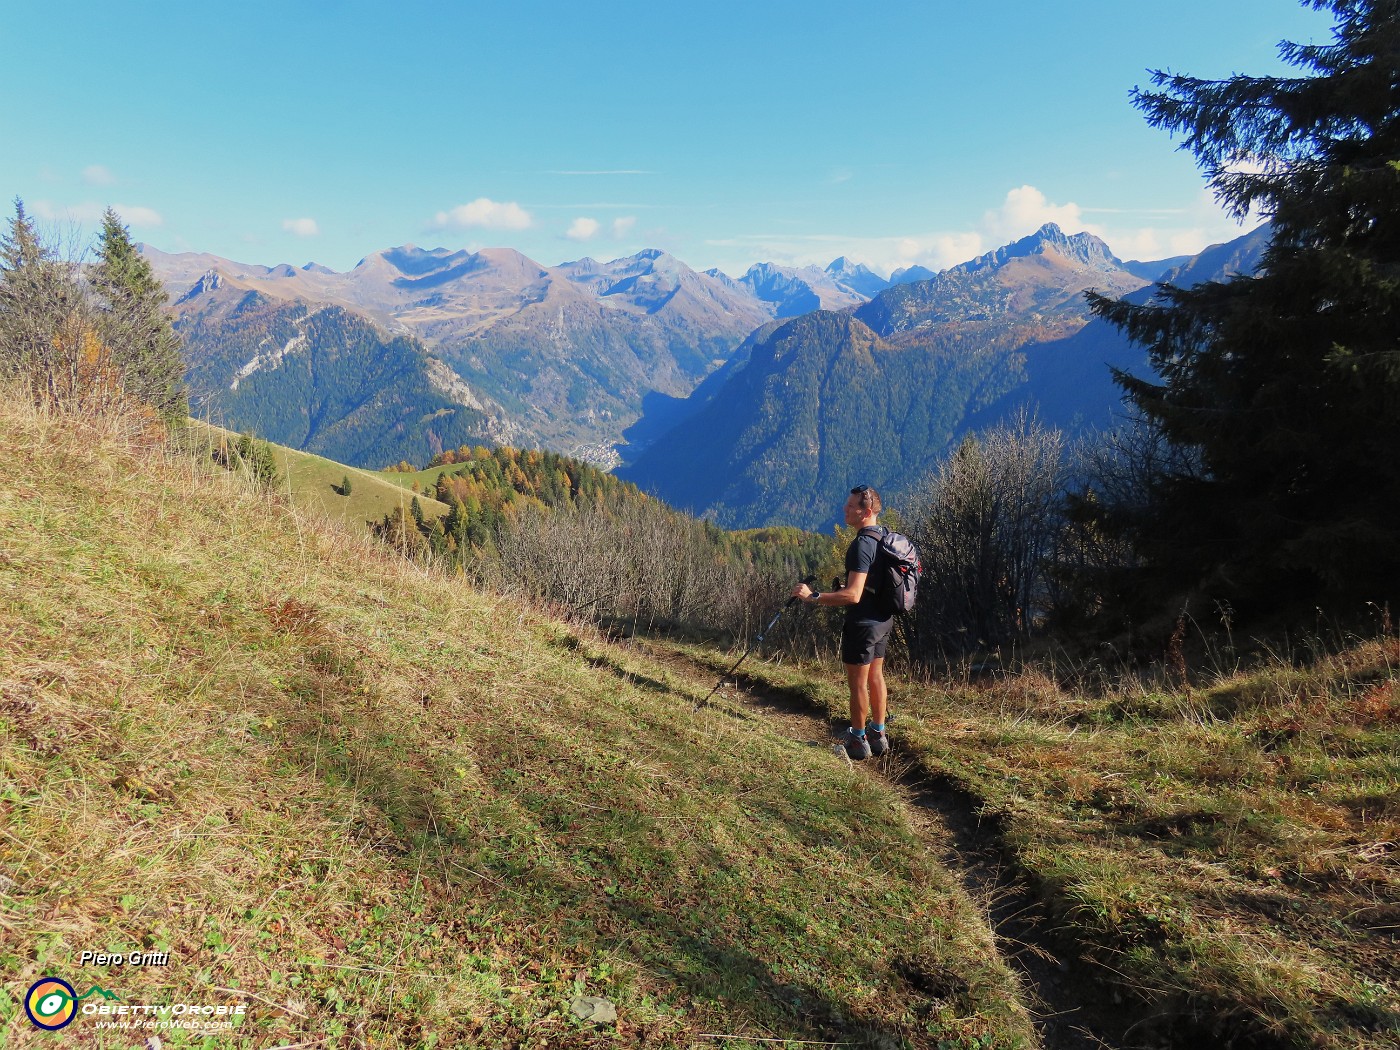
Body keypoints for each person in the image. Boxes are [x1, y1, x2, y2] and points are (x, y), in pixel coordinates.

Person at [791, 484, 891, 760]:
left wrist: (813, 597)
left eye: (851, 507)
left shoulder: (861, 545)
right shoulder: (885, 536)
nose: (844, 510)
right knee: (876, 676)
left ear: (866, 511)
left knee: (858, 683)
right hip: (883, 619)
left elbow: (853, 594)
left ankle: (857, 740)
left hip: (863, 624)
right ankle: (878, 734)